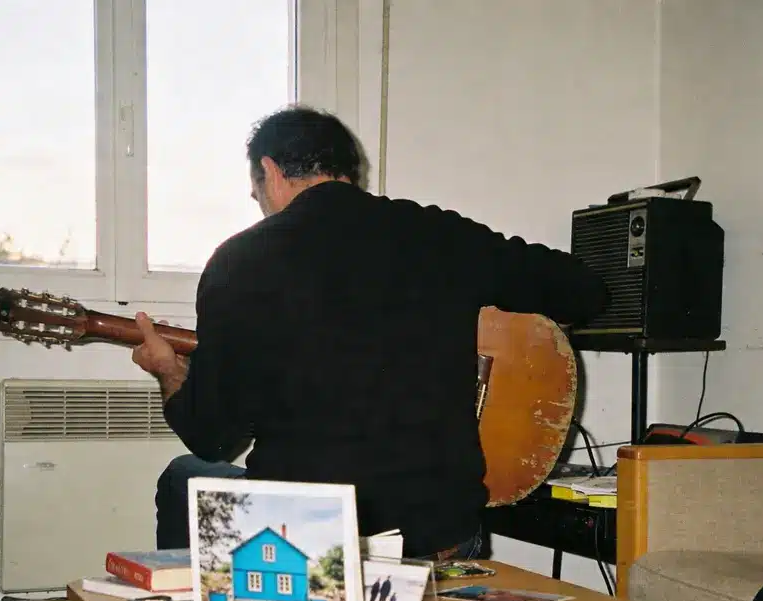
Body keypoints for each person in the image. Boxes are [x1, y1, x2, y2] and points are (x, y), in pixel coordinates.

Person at [133, 105, 607, 561]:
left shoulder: (239, 262)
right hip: (437, 538)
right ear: (348, 169)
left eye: (256, 189)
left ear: (270, 171)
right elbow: (584, 292)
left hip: (311, 548)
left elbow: (211, 439)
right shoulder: (437, 233)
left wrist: (168, 370)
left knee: (181, 476)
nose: (258, 202)